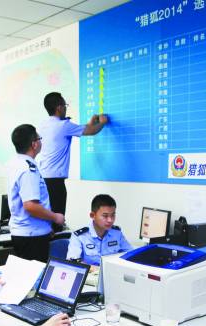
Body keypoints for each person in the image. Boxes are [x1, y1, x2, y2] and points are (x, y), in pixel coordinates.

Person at [37, 92, 108, 230]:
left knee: (47, 221)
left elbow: (83, 128)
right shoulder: (64, 125)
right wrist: (103, 123)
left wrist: (90, 123)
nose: (66, 108)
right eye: (65, 105)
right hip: (55, 184)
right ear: (59, 108)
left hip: (43, 180)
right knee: (57, 222)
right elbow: (91, 131)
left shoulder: (43, 125)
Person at [7, 124, 64, 262]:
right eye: (39, 138)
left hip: (29, 233)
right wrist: (55, 217)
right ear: (34, 144)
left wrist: (45, 226)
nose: (40, 141)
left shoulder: (16, 163)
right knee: (35, 275)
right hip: (31, 237)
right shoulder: (28, 169)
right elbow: (31, 206)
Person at [67, 194, 132, 271]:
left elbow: (131, 255)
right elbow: (73, 262)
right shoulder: (80, 236)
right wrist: (99, 270)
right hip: (90, 276)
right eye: (105, 216)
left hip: (112, 274)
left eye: (113, 215)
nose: (110, 220)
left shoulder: (117, 233)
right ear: (92, 215)